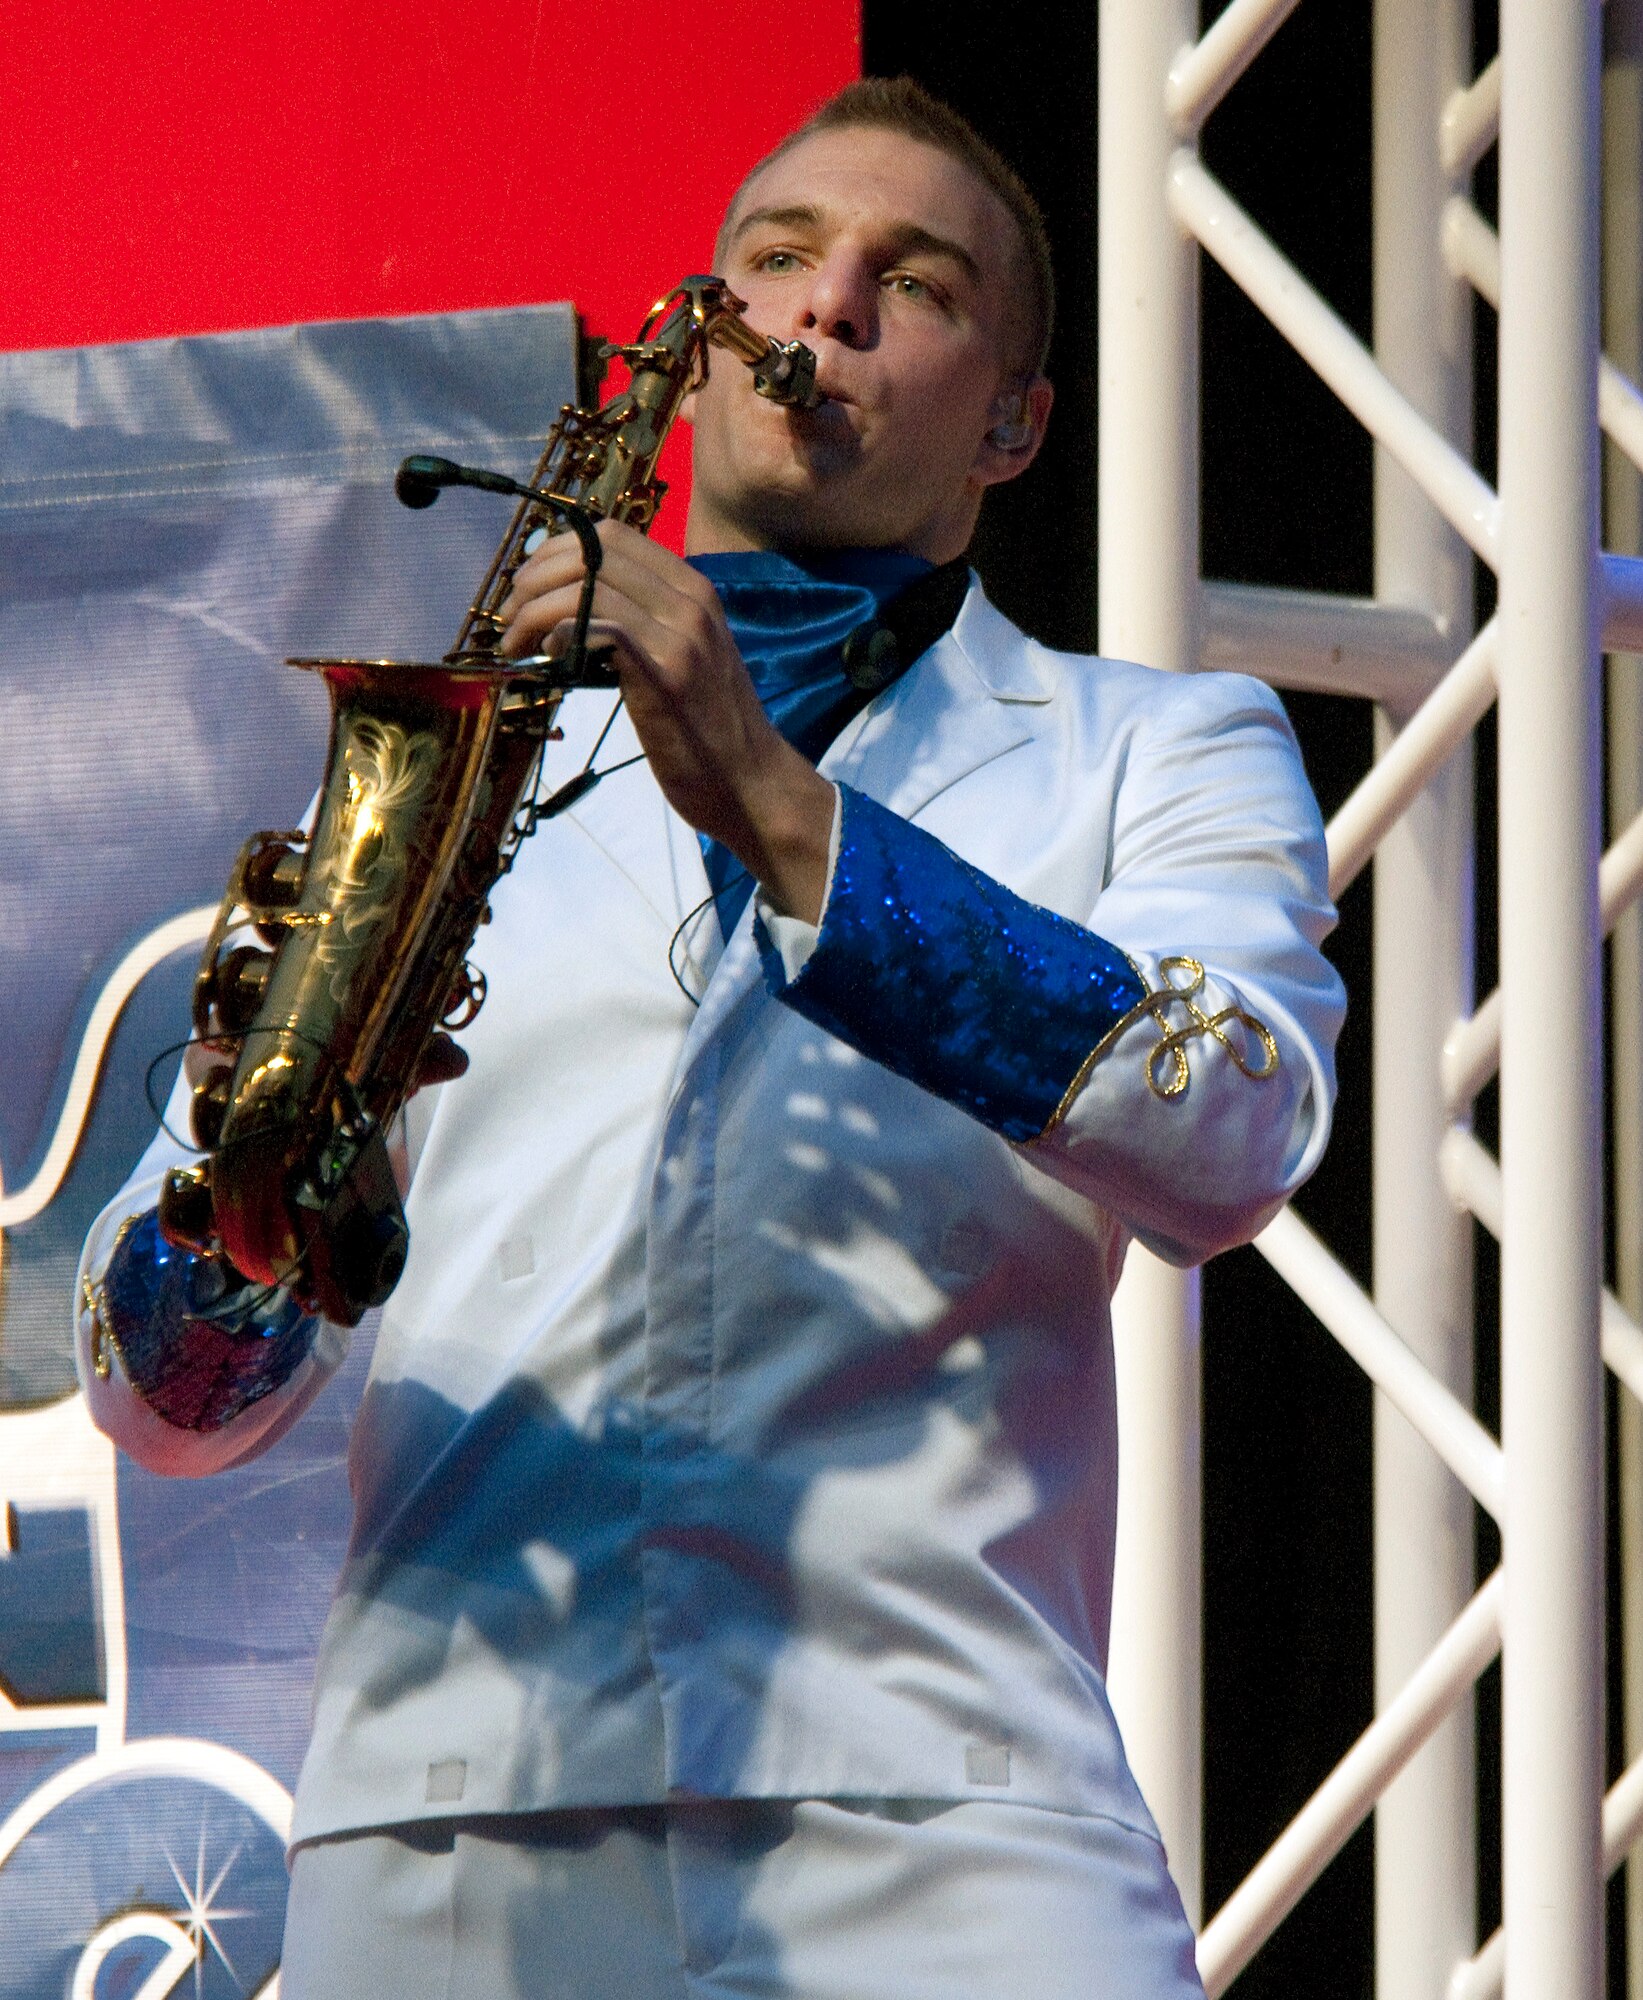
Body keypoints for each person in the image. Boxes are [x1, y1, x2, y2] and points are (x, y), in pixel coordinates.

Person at [77, 77, 1345, 2000]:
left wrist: (777, 805)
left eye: (907, 284)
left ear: (1015, 420)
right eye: (777, 256)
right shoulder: (454, 757)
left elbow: (1237, 1131)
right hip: (443, 1832)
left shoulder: (1156, 747)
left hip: (942, 1830)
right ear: (699, 336)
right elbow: (165, 1408)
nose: (819, 308)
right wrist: (269, 1201)